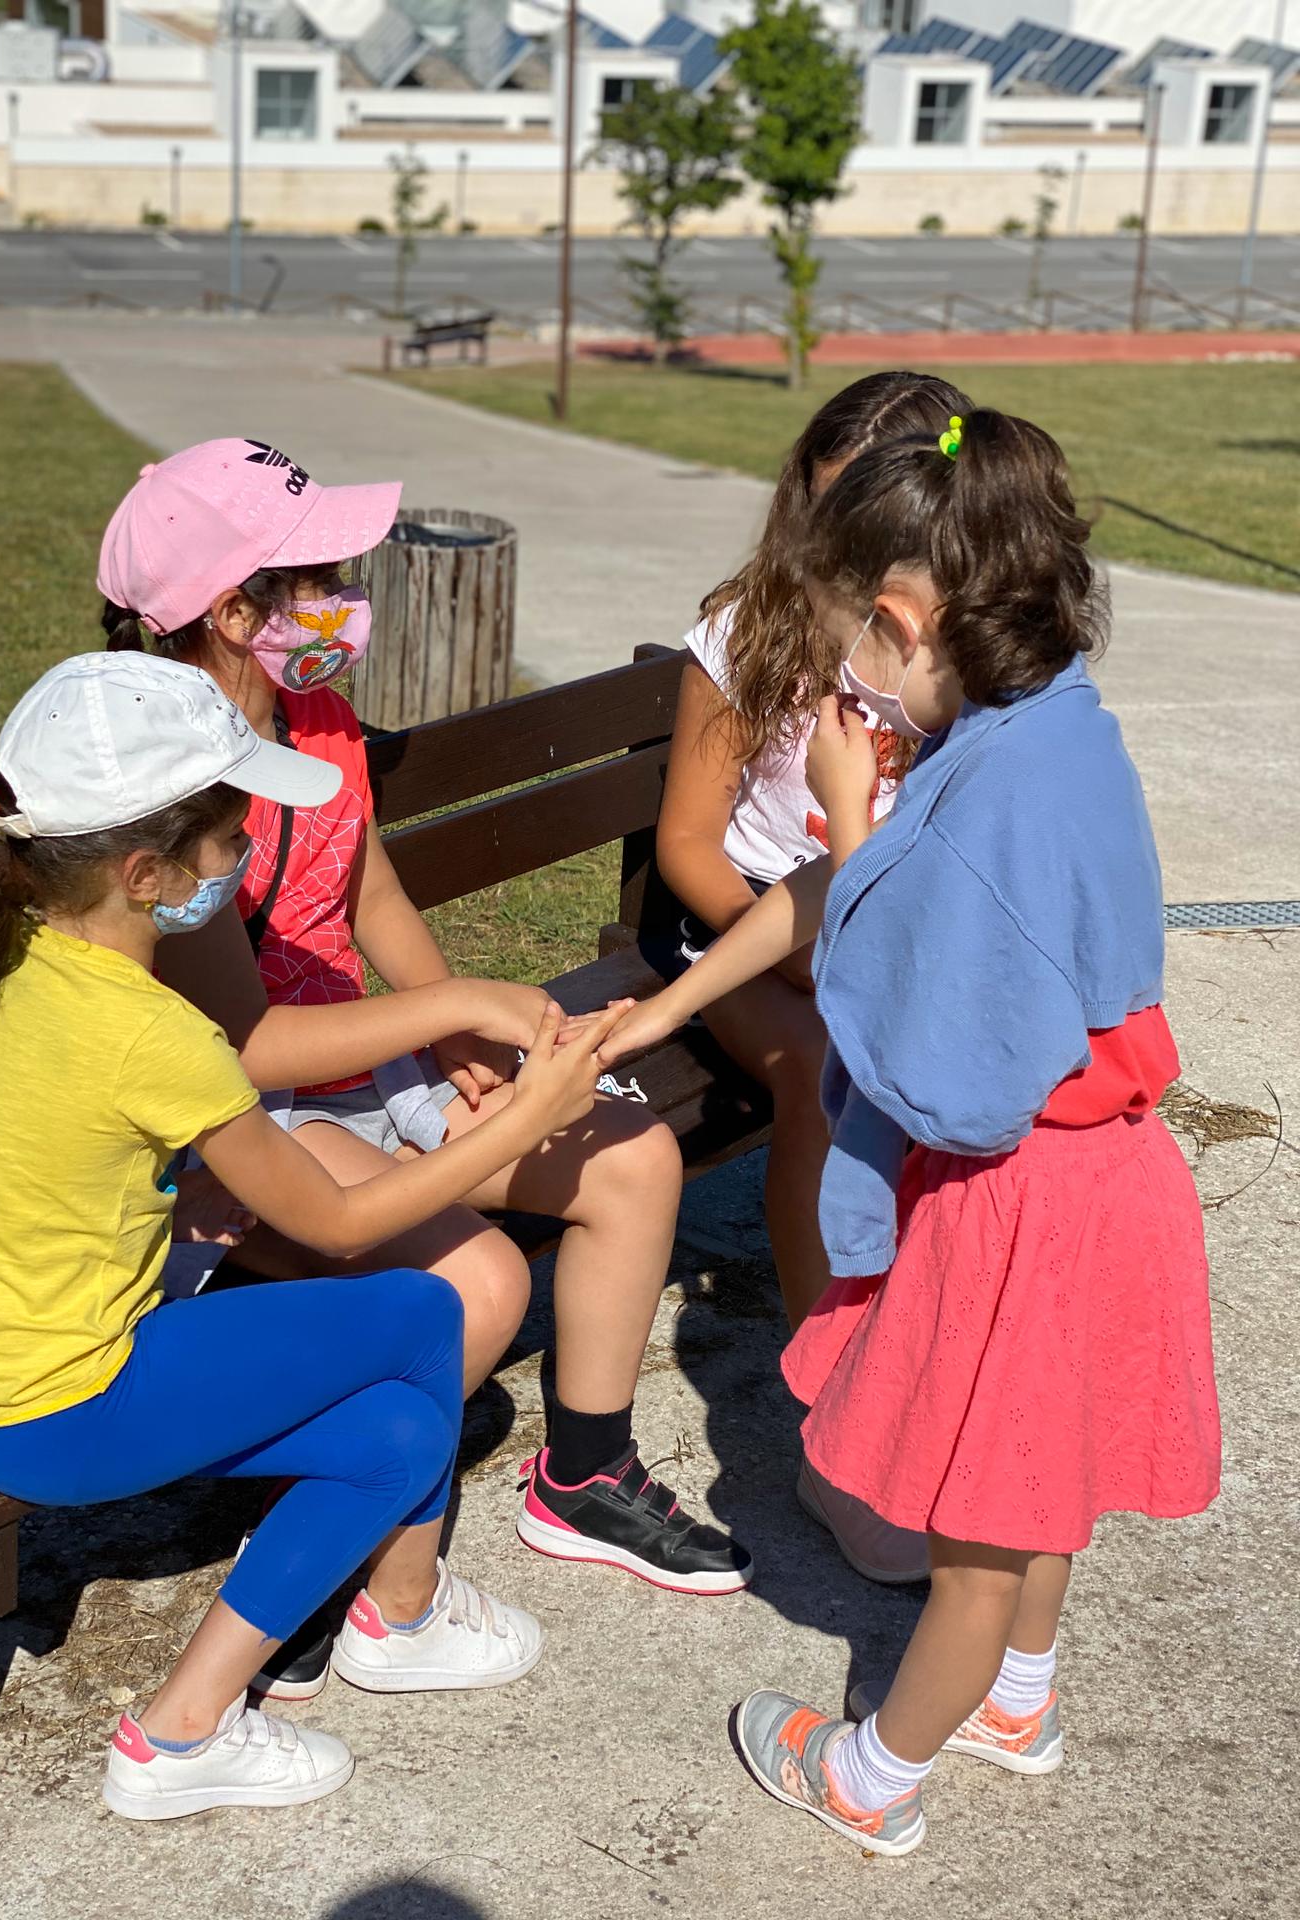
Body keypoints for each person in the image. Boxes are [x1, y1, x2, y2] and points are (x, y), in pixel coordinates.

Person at [592, 409, 1221, 1856]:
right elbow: (860, 902)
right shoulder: (1046, 726)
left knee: (977, 1539)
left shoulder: (978, 805)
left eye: (846, 651)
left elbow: (932, 1052)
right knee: (1044, 1481)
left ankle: (873, 1777)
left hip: (1025, 1198)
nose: (846, 689)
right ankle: (1020, 1704)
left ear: (900, 617)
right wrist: (665, 1004)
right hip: (1115, 1181)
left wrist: (845, 818)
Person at [0, 650, 628, 1821]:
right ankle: (402, 1615)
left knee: (395, 1433)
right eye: (232, 836)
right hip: (78, 1403)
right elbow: (338, 1222)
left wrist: (129, 1186)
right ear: (146, 874)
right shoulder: (159, 1035)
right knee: (422, 1310)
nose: (244, 856)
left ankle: (179, 1733)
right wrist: (526, 1119)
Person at [96, 441, 752, 1699]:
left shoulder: (315, 718)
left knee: (632, 1158)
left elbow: (368, 891)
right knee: (472, 1283)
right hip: (235, 1122)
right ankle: (317, 1540)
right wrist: (451, 1010)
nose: (346, 603)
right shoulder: (164, 786)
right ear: (230, 613)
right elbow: (242, 1049)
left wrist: (448, 1039)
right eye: (317, 582)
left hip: (359, 1065)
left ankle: (584, 1474)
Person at [656, 372, 972, 1586]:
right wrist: (793, 946)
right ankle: (836, 1436)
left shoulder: (956, 637)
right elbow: (689, 846)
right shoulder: (752, 630)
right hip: (741, 930)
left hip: (892, 935)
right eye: (835, 508)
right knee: (827, 1077)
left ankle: (929, 1373)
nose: (851, 544)